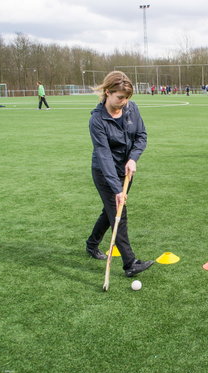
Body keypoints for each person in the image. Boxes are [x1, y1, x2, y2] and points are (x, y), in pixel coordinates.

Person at [86, 71, 154, 277]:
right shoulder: (97, 120)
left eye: (127, 98)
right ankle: (130, 264)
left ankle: (91, 244)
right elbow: (104, 155)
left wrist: (133, 158)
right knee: (118, 214)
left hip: (126, 171)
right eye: (120, 97)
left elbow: (141, 136)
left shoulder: (131, 109)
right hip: (105, 173)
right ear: (108, 92)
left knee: (110, 212)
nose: (124, 102)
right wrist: (116, 189)